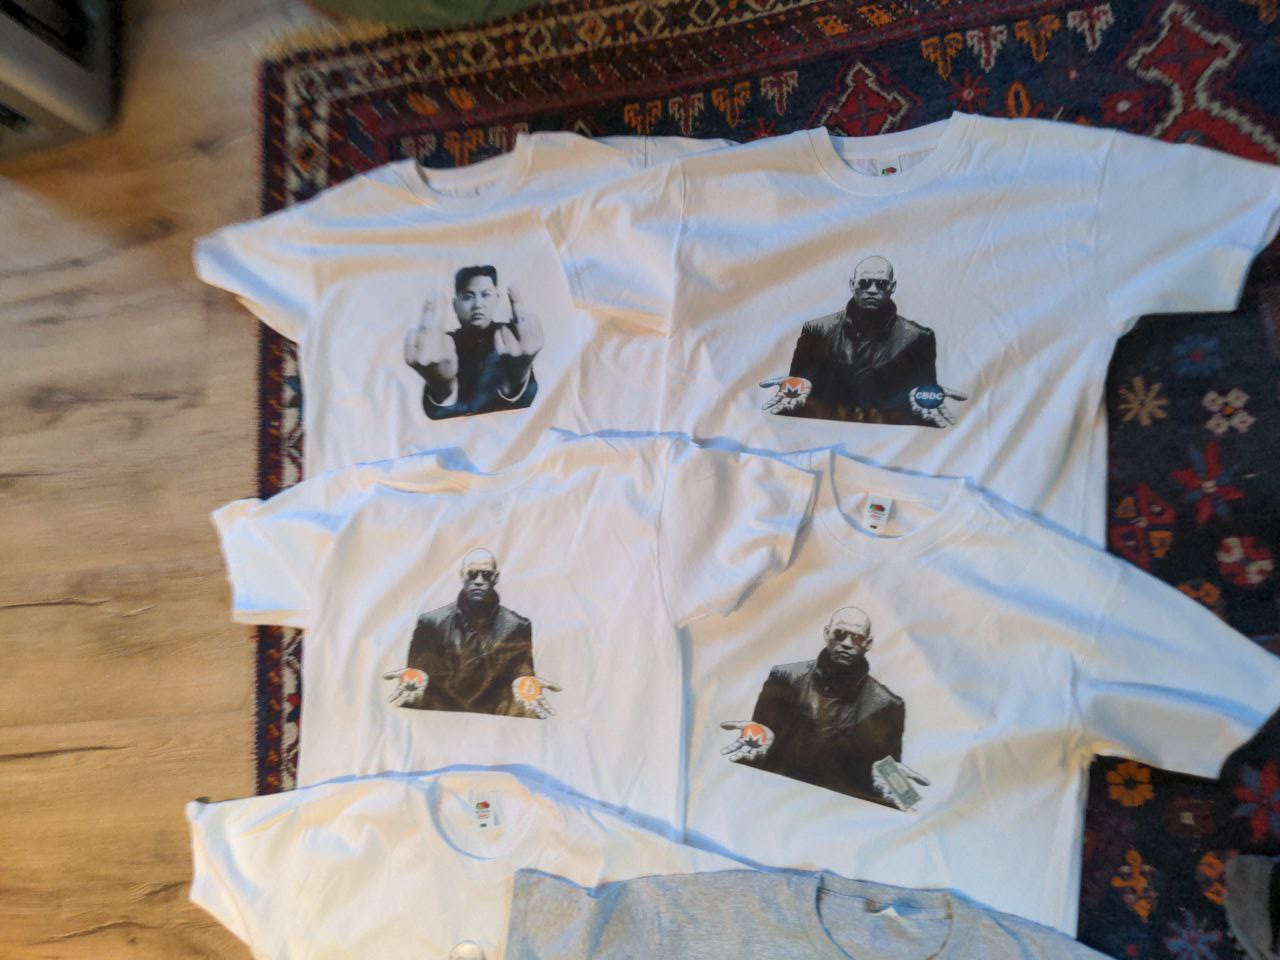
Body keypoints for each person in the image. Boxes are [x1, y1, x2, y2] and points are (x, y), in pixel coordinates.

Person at [721, 606, 927, 809]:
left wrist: (896, 791)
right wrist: (755, 747)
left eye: (857, 638)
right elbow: (754, 752)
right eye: (840, 634)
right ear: (827, 634)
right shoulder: (784, 678)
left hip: (836, 816)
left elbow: (889, 782)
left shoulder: (888, 706)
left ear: (868, 643)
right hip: (770, 803)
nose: (847, 644)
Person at [759, 256, 965, 427]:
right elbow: (798, 388)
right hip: (821, 431)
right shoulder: (817, 330)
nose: (873, 290)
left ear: (892, 286)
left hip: (889, 439)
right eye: (865, 283)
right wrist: (796, 387)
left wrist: (925, 399)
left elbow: (923, 397)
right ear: (852, 285)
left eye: (881, 284)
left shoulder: (919, 337)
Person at [383, 548, 559, 718]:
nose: (479, 581)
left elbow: (521, 670)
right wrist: (417, 675)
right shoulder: (430, 623)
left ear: (496, 578)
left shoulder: (518, 626)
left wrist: (524, 682)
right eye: (472, 574)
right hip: (440, 716)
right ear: (462, 575)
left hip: (493, 719)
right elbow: (418, 671)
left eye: (486, 574)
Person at [404, 266, 543, 420]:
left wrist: (518, 374)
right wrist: (441, 385)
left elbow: (530, 404)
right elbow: (435, 416)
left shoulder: (513, 339)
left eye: (485, 295)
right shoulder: (443, 347)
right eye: (468, 297)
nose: (478, 304)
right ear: (455, 305)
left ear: (496, 299)